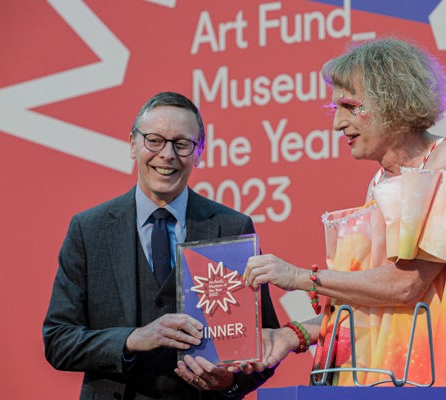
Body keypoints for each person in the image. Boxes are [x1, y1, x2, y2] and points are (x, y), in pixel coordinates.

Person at [244, 38, 446, 400]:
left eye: (349, 107)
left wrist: (298, 277)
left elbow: (406, 285)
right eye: (335, 108)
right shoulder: (379, 183)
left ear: (392, 100)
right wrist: (291, 335)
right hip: (399, 373)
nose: (338, 123)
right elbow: (373, 303)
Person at [43, 91, 280, 400]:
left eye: (181, 144)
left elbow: (265, 341)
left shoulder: (232, 228)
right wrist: (132, 339)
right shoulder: (89, 230)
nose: (167, 154)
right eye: (154, 141)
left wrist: (228, 384)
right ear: (132, 144)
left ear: (199, 152)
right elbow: (59, 340)